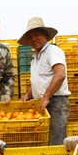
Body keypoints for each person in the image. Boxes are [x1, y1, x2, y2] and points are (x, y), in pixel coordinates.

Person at [18, 17, 71, 146]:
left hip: (55, 102)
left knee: (56, 139)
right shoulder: (35, 59)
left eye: (36, 34)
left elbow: (60, 74)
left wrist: (46, 97)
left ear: (45, 35)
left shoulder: (52, 51)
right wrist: (27, 95)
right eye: (30, 36)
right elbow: (39, 82)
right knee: (45, 141)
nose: (33, 39)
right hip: (43, 104)